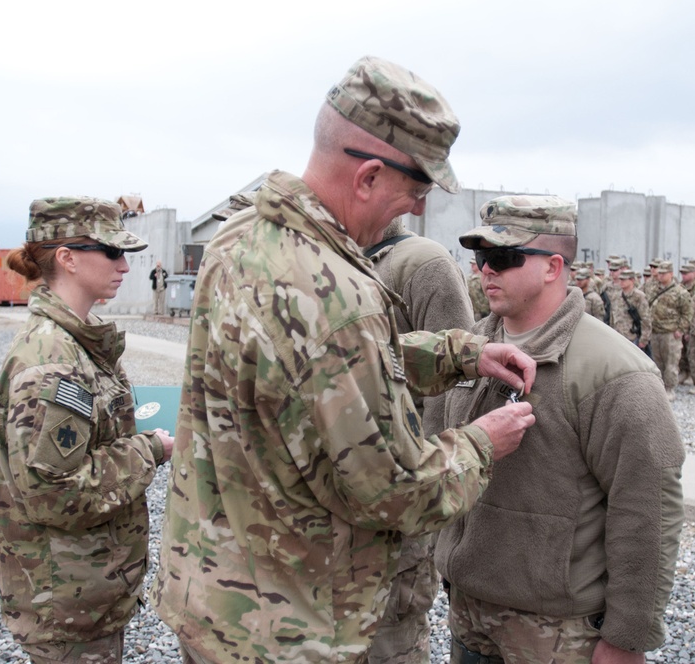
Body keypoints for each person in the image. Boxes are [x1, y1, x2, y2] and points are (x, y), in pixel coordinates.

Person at [150, 55, 537, 664]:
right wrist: (484, 442)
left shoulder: (241, 235)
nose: (414, 209)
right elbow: (394, 490)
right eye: (417, 191)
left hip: (214, 596)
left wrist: (460, 354)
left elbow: (305, 371)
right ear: (369, 177)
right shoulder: (338, 296)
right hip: (291, 626)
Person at [435, 195, 685, 663]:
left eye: (504, 257)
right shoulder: (472, 348)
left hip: (557, 633)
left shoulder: (614, 371)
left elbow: (647, 507)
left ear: (553, 267)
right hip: (469, 613)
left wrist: (627, 636)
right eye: (481, 258)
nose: (487, 270)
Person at [0, 196, 174, 663]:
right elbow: (55, 491)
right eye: (111, 252)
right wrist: (148, 450)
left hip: (87, 591)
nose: (125, 266)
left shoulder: (77, 340)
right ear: (68, 259)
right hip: (67, 604)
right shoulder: (52, 359)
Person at [364, 216, 475, 664]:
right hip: (353, 488)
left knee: (393, 634)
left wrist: (429, 482)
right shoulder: (341, 258)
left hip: (402, 494)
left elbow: (455, 385)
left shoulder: (423, 263)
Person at [648, 261, 692, 401]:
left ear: (671, 274)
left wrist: (681, 329)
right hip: (655, 331)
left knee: (671, 362)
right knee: (658, 361)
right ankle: (659, 387)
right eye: (659, 273)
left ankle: (669, 388)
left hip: (670, 332)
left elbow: (687, 313)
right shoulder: (653, 289)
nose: (660, 276)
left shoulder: (680, 292)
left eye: (663, 273)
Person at [609, 269, 651, 351]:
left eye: (624, 279)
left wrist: (644, 339)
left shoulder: (639, 296)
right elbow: (612, 316)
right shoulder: (616, 296)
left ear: (632, 280)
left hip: (632, 337)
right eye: (620, 279)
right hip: (617, 336)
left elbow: (646, 319)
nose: (621, 282)